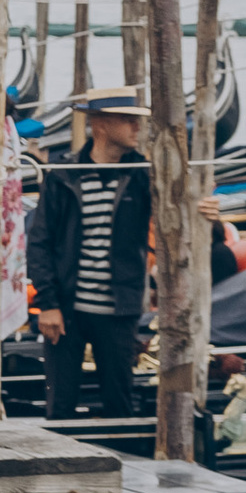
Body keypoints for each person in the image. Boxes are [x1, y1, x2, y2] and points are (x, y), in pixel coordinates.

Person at [30, 88, 151, 417]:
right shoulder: (63, 176)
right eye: (128, 120)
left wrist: (206, 215)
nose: (136, 128)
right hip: (66, 310)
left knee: (120, 401)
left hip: (120, 309)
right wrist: (48, 304)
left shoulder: (143, 176)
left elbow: (176, 221)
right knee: (61, 404)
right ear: (100, 124)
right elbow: (39, 242)